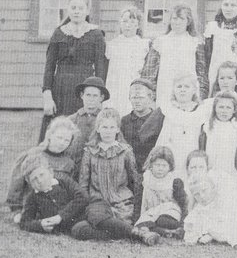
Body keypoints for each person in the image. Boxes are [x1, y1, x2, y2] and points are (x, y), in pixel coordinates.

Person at [77, 108, 159, 245]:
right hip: (98, 203)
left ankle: (121, 230)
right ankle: (136, 233)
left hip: (122, 203)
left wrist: (137, 211)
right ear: (97, 129)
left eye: (112, 127)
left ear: (117, 129)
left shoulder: (125, 151)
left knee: (108, 224)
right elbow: (83, 183)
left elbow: (135, 181)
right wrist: (86, 205)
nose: (108, 131)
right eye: (104, 127)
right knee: (78, 229)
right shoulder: (89, 151)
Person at [41, 0, 107, 139]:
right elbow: (50, 66)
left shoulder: (96, 34)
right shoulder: (58, 33)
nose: (77, 11)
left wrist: (99, 97)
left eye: (81, 8)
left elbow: (101, 67)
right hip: (61, 88)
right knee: (59, 129)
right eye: (73, 7)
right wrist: (47, 95)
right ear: (68, 10)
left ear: (87, 11)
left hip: (85, 88)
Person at [141, 74, 211, 181]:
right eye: (179, 87)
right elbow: (145, 133)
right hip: (170, 155)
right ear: (173, 90)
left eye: (186, 87)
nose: (182, 90)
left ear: (194, 90)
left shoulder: (201, 112)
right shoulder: (166, 110)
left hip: (192, 155)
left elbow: (206, 138)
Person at [6, 116, 79, 215]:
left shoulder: (69, 163)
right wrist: (16, 210)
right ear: (50, 135)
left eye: (66, 140)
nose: (62, 143)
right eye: (59, 137)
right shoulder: (33, 155)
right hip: (32, 206)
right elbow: (16, 184)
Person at [140, 3, 208, 108]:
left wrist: (201, 95)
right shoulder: (160, 42)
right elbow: (149, 72)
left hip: (189, 91)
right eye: (174, 19)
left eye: (181, 19)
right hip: (165, 89)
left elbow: (201, 72)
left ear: (188, 21)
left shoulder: (195, 42)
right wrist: (150, 95)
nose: (177, 22)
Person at [183, 173, 237, 249]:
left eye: (204, 190)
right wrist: (193, 235)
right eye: (196, 194)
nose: (202, 196)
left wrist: (211, 234)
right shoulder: (200, 208)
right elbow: (191, 226)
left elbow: (228, 218)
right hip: (223, 222)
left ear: (213, 188)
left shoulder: (222, 199)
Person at [18, 157, 89, 237]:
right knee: (79, 230)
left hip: (85, 216)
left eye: (42, 175)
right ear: (29, 183)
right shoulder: (32, 197)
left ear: (50, 172)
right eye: (34, 179)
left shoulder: (64, 182)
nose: (40, 181)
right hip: (74, 227)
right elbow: (24, 222)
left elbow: (83, 197)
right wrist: (40, 225)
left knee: (96, 217)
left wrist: (61, 216)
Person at [104, 5, 150, 117]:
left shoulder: (144, 45)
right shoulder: (112, 44)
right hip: (116, 86)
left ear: (138, 25)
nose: (128, 25)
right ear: (120, 24)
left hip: (134, 85)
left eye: (132, 22)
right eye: (124, 21)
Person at [133, 146, 187, 238]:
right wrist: (136, 219)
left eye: (164, 165)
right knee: (143, 224)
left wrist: (183, 223)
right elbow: (138, 201)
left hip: (168, 212)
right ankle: (166, 232)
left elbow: (183, 203)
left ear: (170, 167)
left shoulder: (174, 181)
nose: (160, 169)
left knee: (162, 221)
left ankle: (164, 230)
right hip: (149, 211)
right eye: (157, 165)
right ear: (151, 165)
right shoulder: (145, 179)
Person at [197, 91, 237, 186]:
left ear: (234, 110)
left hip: (232, 171)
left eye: (228, 108)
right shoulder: (207, 127)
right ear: (215, 108)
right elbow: (202, 151)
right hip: (212, 171)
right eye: (221, 107)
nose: (224, 111)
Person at [69, 76, 108, 163]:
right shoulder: (71, 120)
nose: (91, 99)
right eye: (88, 95)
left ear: (101, 98)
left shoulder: (106, 120)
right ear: (82, 96)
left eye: (95, 96)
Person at [121, 79, 156, 172]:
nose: (137, 101)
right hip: (127, 170)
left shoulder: (158, 120)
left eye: (141, 98)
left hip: (151, 171)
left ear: (151, 97)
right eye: (134, 98)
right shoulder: (124, 121)